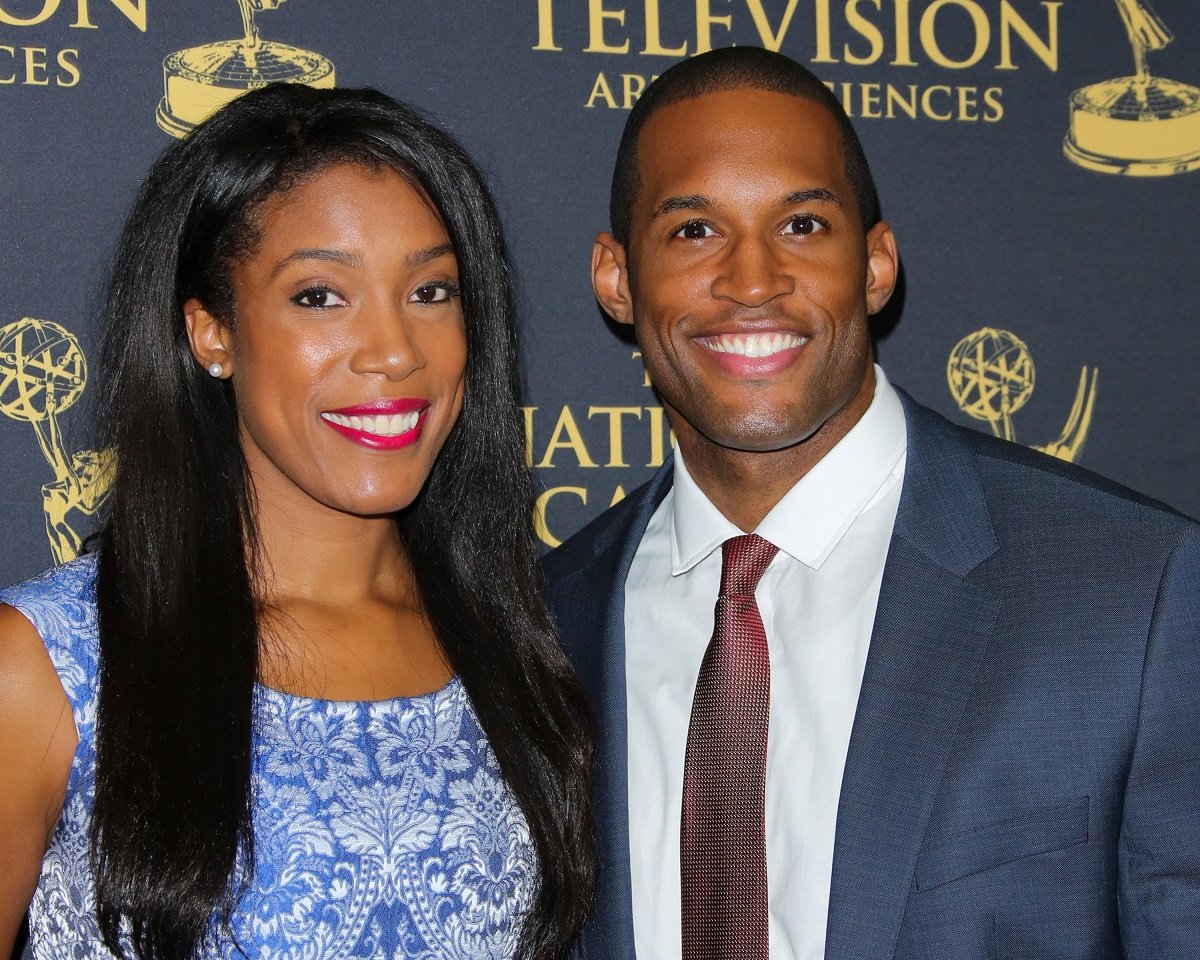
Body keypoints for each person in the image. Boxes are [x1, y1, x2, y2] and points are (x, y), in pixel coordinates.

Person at [542, 45, 1200, 960]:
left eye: (803, 224)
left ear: (877, 263)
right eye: (694, 231)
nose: (753, 280)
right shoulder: (541, 625)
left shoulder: (1135, 594)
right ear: (617, 278)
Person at [0, 84, 594, 960]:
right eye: (321, 296)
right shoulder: (51, 665)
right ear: (211, 334)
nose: (394, 351)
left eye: (431, 291)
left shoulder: (526, 642)